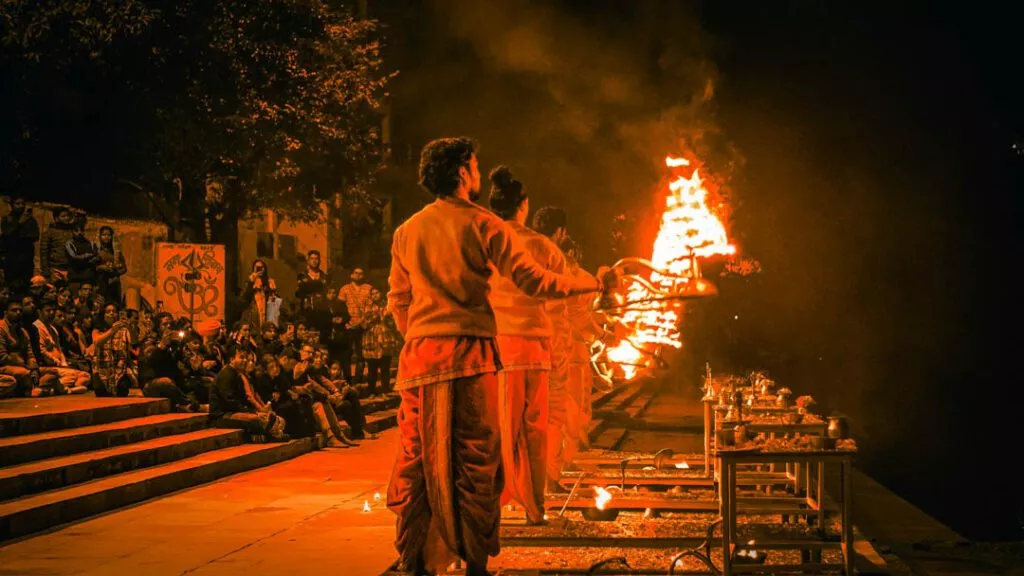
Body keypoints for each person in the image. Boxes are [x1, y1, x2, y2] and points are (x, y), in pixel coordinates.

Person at [385, 137, 607, 576]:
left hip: (419, 360)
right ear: (462, 172)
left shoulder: (406, 230)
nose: (479, 174)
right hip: (473, 357)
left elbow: (398, 301)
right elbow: (538, 283)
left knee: (417, 458)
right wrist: (596, 284)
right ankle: (475, 568)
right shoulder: (485, 225)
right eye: (475, 166)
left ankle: (415, 561)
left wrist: (421, 333)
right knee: (475, 459)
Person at [486, 165, 558, 524]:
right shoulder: (543, 246)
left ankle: (493, 505)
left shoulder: (486, 245)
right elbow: (560, 294)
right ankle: (535, 507)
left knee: (501, 430)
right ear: (523, 205)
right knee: (536, 432)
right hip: (536, 351)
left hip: (501, 351)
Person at [558, 235, 604, 452]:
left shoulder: (583, 279)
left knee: (578, 395)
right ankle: (571, 445)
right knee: (573, 397)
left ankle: (574, 441)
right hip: (567, 344)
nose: (571, 258)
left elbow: (590, 312)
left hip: (570, 345)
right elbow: (581, 313)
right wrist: (600, 334)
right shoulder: (575, 279)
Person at [209, 347, 288, 441]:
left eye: (246, 358)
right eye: (241, 357)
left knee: (273, 417)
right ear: (232, 359)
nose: (245, 361)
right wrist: (254, 414)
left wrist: (257, 412)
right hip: (222, 415)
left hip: (235, 411)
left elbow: (245, 400)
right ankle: (270, 437)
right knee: (258, 420)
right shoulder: (226, 375)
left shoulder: (237, 375)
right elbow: (231, 402)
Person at [0, 299, 59, 397]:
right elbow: (2, 357)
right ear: (6, 313)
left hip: (24, 367)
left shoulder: (23, 332)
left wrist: (34, 366)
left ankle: (32, 388)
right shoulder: (1, 328)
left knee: (54, 372)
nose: (18, 313)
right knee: (23, 374)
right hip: (6, 366)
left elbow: (30, 354)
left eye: (20, 310)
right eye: (14, 310)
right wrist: (25, 366)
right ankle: (29, 390)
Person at [33, 296, 90, 394]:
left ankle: (64, 389)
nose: (51, 313)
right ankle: (63, 388)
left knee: (85, 375)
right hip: (50, 366)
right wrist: (57, 362)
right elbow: (42, 351)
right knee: (71, 375)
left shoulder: (53, 329)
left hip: (60, 366)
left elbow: (59, 350)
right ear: (39, 312)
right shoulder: (36, 327)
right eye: (48, 311)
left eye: (53, 310)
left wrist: (64, 362)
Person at [91, 303, 137, 397]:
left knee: (121, 390)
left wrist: (130, 328)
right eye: (108, 311)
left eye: (114, 311)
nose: (111, 313)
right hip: (102, 370)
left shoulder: (124, 330)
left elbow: (134, 341)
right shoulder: (97, 330)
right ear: (103, 315)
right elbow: (97, 342)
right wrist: (112, 330)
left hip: (119, 370)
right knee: (102, 393)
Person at [362, 289, 401, 396]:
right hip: (371, 339)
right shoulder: (367, 307)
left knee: (385, 367)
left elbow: (393, 322)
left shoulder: (388, 306)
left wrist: (387, 317)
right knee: (372, 369)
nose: (375, 295)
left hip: (385, 339)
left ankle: (385, 390)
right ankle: (371, 392)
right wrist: (377, 316)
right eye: (372, 294)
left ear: (381, 294)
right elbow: (365, 321)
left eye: (377, 293)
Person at [337, 268, 373, 384]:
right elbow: (340, 307)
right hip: (348, 326)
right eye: (356, 273)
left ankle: (357, 381)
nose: (358, 275)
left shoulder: (368, 288)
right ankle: (348, 380)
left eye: (361, 273)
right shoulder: (344, 289)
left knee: (361, 355)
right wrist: (345, 322)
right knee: (347, 354)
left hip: (362, 326)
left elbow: (370, 308)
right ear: (351, 274)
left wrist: (363, 321)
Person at [1, 198, 40, 293]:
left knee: (26, 284)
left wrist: (21, 235)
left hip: (26, 256)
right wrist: (19, 223)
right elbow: (7, 234)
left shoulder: (30, 219)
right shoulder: (7, 219)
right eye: (17, 204)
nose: (21, 206)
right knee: (12, 285)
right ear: (12, 205)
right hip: (12, 257)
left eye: (22, 203)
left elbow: (35, 236)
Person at [39, 208, 76, 286]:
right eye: (63, 216)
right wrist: (45, 271)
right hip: (55, 269)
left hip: (69, 268)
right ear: (56, 218)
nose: (66, 218)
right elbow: (44, 253)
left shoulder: (71, 232)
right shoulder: (49, 233)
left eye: (67, 216)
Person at [65, 215, 100, 295]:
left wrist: (85, 258)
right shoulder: (69, 244)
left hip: (88, 279)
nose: (79, 233)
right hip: (75, 279)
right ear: (72, 231)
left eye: (82, 230)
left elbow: (96, 257)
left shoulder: (91, 244)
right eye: (76, 230)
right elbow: (74, 258)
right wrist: (88, 256)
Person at [241, 260, 278, 329]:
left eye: (262, 267)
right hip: (254, 314)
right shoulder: (251, 281)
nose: (260, 269)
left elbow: (274, 299)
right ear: (254, 268)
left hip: (268, 313)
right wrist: (251, 282)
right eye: (258, 267)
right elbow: (245, 298)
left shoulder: (270, 281)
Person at [95, 226, 127, 305]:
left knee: (115, 305)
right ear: (100, 236)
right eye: (104, 235)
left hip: (114, 283)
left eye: (109, 235)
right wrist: (101, 267)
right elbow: (93, 266)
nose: (106, 237)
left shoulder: (116, 251)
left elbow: (124, 268)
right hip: (100, 283)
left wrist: (114, 273)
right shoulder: (96, 250)